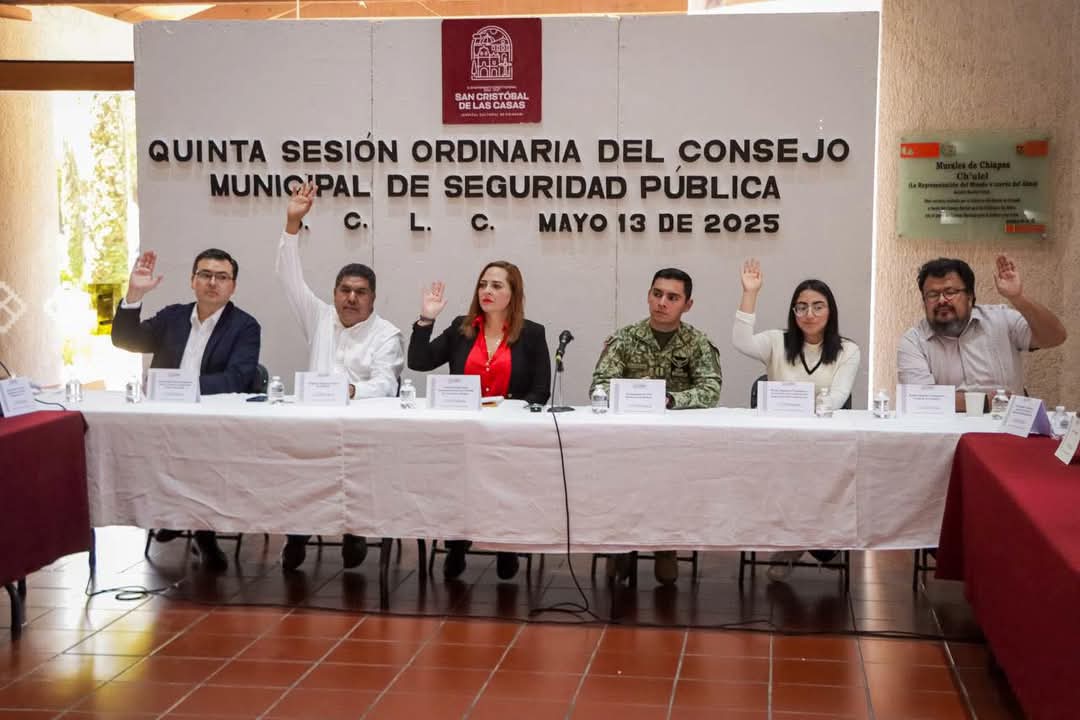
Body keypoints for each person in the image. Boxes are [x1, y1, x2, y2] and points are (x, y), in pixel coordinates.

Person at [277, 181, 405, 572]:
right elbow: (289, 277)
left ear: (373, 298)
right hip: (314, 424)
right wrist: (292, 224)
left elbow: (386, 384)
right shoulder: (318, 317)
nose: (351, 298)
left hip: (363, 427)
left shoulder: (387, 334)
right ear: (334, 293)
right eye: (345, 290)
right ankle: (297, 534)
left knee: (357, 474)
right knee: (300, 471)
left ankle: (355, 533)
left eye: (360, 292)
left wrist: (350, 390)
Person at [112, 247, 261, 572]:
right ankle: (171, 512)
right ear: (193, 281)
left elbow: (237, 378)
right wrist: (134, 295)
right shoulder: (173, 318)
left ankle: (202, 533)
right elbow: (125, 339)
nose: (212, 283)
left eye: (221, 277)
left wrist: (181, 387)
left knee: (201, 457)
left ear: (233, 286)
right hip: (164, 422)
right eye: (205, 275)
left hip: (212, 423)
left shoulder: (245, 326)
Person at [408, 261, 551, 580]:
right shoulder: (462, 328)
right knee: (458, 483)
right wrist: (426, 319)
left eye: (497, 286)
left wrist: (511, 415)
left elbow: (540, 390)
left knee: (505, 485)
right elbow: (419, 362)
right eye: (483, 284)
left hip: (508, 434)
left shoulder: (532, 334)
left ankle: (506, 545)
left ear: (513, 293)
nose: (487, 291)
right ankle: (457, 544)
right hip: (463, 433)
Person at [590, 268, 722, 586]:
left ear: (687, 305)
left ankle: (666, 545)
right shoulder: (625, 338)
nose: (662, 302)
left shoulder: (697, 342)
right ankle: (621, 545)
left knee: (670, 483)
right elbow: (599, 385)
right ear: (648, 296)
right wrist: (631, 397)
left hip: (675, 442)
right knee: (622, 482)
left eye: (672, 297)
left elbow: (710, 390)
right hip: (627, 438)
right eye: (657, 294)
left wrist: (670, 400)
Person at [733, 258, 861, 580]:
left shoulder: (848, 350)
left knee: (818, 479)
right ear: (793, 312)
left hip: (824, 442)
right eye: (801, 307)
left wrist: (804, 409)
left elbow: (839, 395)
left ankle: (798, 543)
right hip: (779, 441)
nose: (809, 314)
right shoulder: (776, 341)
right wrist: (750, 293)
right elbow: (741, 341)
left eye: (818, 306)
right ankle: (803, 542)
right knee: (783, 477)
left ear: (830, 311)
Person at [897, 255, 1067, 411]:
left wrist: (1018, 298)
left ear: (970, 297)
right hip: (948, 432)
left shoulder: (1001, 319)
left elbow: (1055, 337)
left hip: (1008, 428)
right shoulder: (914, 341)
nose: (941, 300)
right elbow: (919, 399)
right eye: (932, 295)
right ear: (924, 302)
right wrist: (986, 401)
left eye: (950, 292)